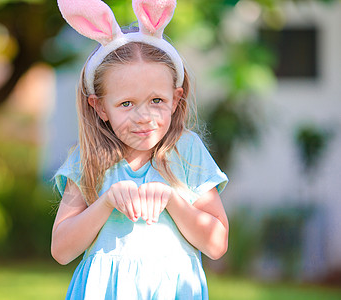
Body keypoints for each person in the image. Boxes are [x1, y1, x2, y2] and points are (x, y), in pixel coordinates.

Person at [52, 0, 229, 299]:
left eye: (156, 101)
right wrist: (106, 202)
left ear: (175, 98)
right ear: (100, 107)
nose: (144, 116)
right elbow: (61, 250)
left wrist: (173, 199)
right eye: (126, 104)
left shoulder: (187, 151)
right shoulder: (88, 157)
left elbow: (216, 244)